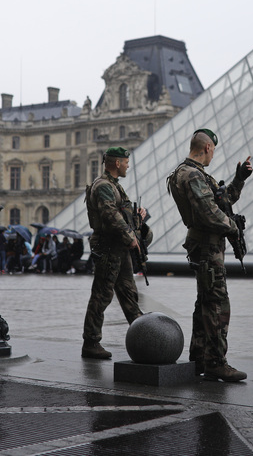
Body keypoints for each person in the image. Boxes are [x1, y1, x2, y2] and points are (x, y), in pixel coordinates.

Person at [167, 129, 252, 382]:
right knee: (217, 302)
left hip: (203, 245)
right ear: (207, 148)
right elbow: (210, 214)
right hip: (207, 247)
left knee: (204, 301)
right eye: (213, 149)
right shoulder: (193, 174)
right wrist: (234, 227)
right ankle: (216, 362)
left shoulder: (189, 173)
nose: (213, 154)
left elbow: (221, 202)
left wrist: (239, 180)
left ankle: (199, 357)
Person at [81, 147, 146, 359]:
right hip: (108, 247)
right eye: (126, 161)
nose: (128, 165)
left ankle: (144, 333)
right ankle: (91, 342)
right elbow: (110, 214)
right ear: (117, 163)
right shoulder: (103, 186)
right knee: (101, 294)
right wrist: (130, 237)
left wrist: (137, 217)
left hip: (118, 246)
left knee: (128, 291)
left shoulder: (114, 186)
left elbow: (120, 214)